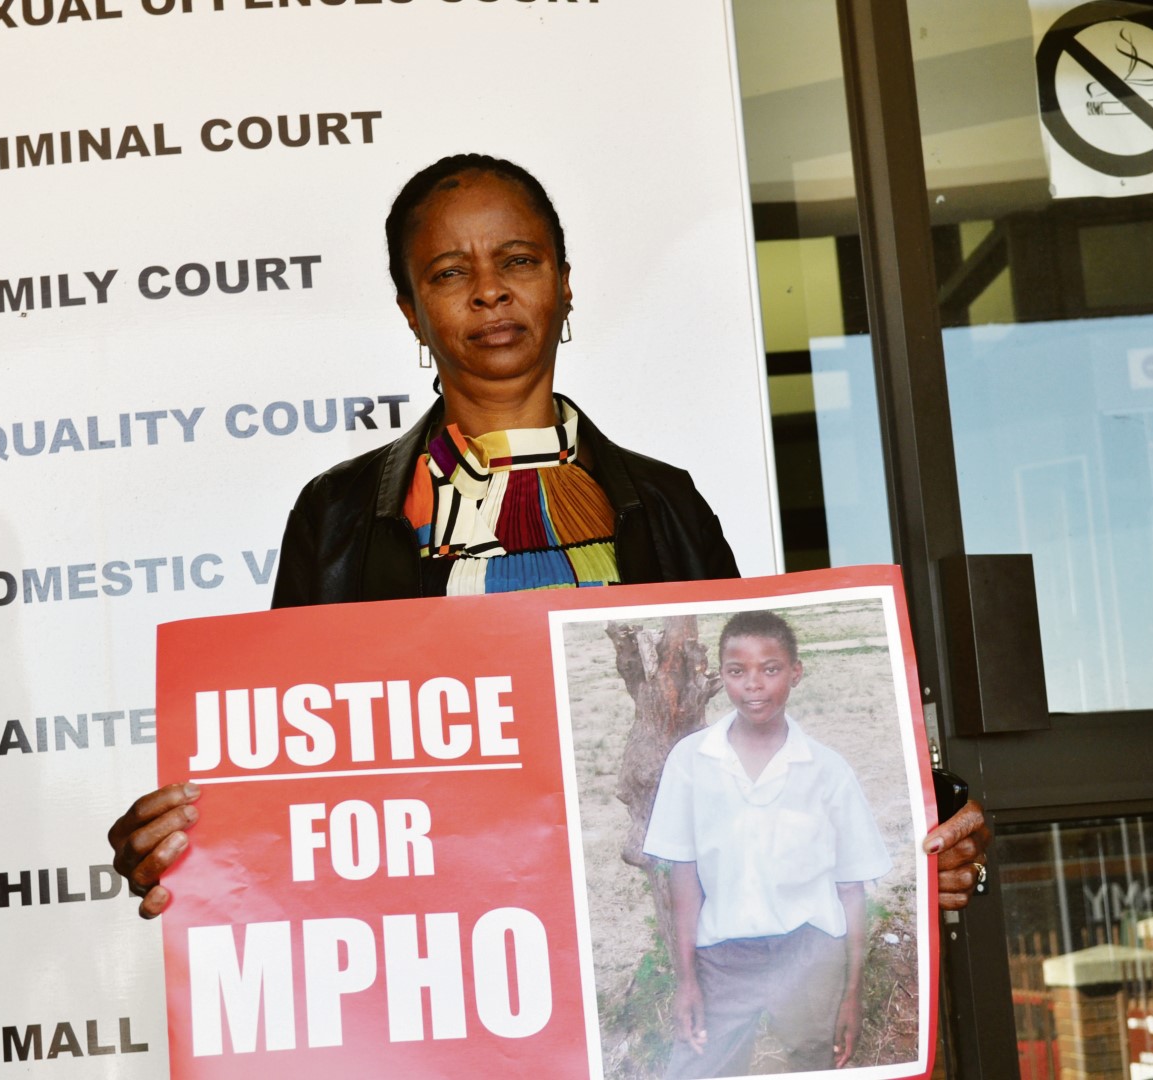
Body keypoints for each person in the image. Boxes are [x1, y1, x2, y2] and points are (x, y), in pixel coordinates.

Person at [107, 152, 991, 920]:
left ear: (564, 283)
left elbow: (742, 719)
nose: (489, 289)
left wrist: (924, 818)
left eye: (518, 260)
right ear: (411, 311)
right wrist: (188, 848)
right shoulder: (338, 518)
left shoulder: (665, 504)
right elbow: (289, 770)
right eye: (449, 272)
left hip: (630, 915)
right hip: (431, 932)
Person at [645, 611, 890, 1076]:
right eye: (738, 671)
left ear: (795, 672)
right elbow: (684, 877)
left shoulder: (827, 770)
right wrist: (687, 981)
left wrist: (852, 994)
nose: (753, 684)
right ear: (720, 675)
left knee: (813, 1062)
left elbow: (850, 887)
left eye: (770, 669)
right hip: (723, 957)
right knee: (697, 1069)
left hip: (809, 952)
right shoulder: (691, 761)